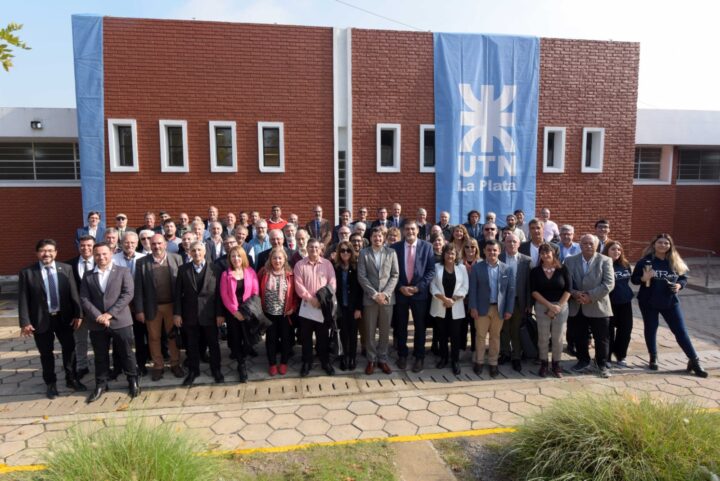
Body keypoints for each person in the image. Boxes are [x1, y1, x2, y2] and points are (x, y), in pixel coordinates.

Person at [631, 233, 707, 377]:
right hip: (649, 302)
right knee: (651, 328)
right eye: (660, 242)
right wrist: (643, 278)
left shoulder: (675, 261)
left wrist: (679, 285)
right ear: (654, 244)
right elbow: (635, 280)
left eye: (666, 243)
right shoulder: (645, 261)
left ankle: (694, 360)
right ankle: (653, 357)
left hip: (670, 301)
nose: (663, 245)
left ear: (670, 246)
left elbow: (684, 277)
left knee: (681, 331)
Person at [19, 239, 85, 399]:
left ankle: (71, 379)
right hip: (41, 320)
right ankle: (51, 383)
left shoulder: (66, 269)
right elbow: (23, 299)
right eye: (42, 250)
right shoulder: (27, 273)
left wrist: (79, 314)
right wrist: (25, 322)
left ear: (56, 252)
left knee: (69, 350)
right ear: (37, 253)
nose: (46, 253)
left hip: (64, 318)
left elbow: (74, 294)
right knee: (46, 354)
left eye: (50, 250)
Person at [80, 242, 139, 403]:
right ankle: (101, 384)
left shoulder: (123, 271)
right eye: (97, 254)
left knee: (126, 353)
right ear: (93, 255)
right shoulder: (88, 275)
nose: (101, 257)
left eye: (104, 253)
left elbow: (128, 294)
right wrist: (98, 316)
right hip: (97, 323)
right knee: (100, 356)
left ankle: (132, 380)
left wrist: (109, 314)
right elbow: (84, 299)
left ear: (111, 253)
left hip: (120, 321)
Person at [133, 234, 184, 382]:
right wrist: (139, 310)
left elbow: (181, 285)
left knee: (173, 336)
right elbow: (138, 289)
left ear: (165, 244)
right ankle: (158, 366)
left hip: (172, 306)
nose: (156, 246)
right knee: (154, 338)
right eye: (153, 244)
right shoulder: (142, 262)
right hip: (152, 307)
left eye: (159, 243)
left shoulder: (176, 259)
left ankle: (175, 364)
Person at [173, 241, 224, 386]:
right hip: (190, 315)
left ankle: (216, 370)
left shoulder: (215, 269)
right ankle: (193, 371)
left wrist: (220, 314)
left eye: (199, 250)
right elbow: (177, 294)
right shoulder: (183, 270)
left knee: (213, 344)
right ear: (189, 252)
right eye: (193, 250)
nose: (196, 253)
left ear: (205, 252)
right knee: (192, 345)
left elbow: (219, 295)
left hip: (210, 314)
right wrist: (177, 314)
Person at [564, 234, 614, 378]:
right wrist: (575, 294)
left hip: (598, 305)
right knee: (579, 336)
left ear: (597, 245)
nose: (588, 246)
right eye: (584, 243)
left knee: (602, 337)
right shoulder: (569, 261)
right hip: (577, 304)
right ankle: (583, 360)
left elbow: (609, 284)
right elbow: (566, 282)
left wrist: (590, 296)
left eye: (591, 243)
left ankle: (601, 363)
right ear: (580, 245)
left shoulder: (605, 260)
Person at [391, 221, 436, 372]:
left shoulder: (427, 247)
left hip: (419, 293)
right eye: (407, 229)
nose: (410, 231)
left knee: (420, 327)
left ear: (417, 231)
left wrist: (418, 287)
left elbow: (431, 271)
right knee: (401, 326)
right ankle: (402, 355)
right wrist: (400, 287)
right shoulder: (395, 248)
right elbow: (390, 271)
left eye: (413, 229)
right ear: (403, 231)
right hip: (401, 293)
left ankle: (419, 356)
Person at [468, 240, 515, 377]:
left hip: (499, 309)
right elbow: (473, 290)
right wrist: (473, 307)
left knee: (495, 337)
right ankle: (479, 361)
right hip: (482, 308)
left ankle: (493, 363)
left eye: (494, 250)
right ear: (484, 251)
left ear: (499, 251)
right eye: (489, 250)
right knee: (480, 336)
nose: (492, 252)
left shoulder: (507, 269)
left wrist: (509, 309)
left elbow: (510, 291)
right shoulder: (477, 268)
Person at [357, 226, 399, 375]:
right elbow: (361, 276)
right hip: (370, 299)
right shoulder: (363, 253)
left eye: (380, 236)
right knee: (369, 331)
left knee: (384, 331)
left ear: (384, 238)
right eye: (375, 236)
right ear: (371, 238)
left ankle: (383, 359)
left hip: (387, 300)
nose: (377, 239)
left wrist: (385, 294)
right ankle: (371, 359)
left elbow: (395, 275)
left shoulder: (391, 252)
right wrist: (375, 294)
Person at [293, 238, 337, 376]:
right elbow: (298, 284)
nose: (314, 250)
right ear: (306, 248)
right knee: (306, 337)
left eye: (316, 247)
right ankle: (307, 361)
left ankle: (325, 361)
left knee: (322, 336)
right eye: (311, 247)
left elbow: (332, 283)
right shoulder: (300, 265)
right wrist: (310, 298)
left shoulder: (327, 264)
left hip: (322, 306)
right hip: (306, 306)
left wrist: (320, 299)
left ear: (320, 249)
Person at [530, 243, 571, 377]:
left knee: (557, 337)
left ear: (553, 253)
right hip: (542, 306)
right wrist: (549, 306)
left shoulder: (563, 269)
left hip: (561, 307)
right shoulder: (535, 271)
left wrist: (557, 306)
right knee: (543, 337)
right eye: (542, 253)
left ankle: (556, 365)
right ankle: (543, 364)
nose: (545, 255)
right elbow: (534, 291)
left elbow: (568, 290)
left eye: (548, 252)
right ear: (540, 255)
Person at [219, 245, 259, 382]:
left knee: (248, 339)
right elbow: (224, 295)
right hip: (233, 312)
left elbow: (255, 292)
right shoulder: (226, 274)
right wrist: (235, 311)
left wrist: (247, 310)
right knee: (235, 339)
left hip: (248, 310)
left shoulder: (250, 272)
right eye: (233, 256)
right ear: (229, 258)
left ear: (243, 258)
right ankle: (241, 365)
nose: (236, 259)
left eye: (238, 256)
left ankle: (244, 354)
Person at [430, 244, 469, 375]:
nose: (450, 256)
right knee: (441, 335)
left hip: (455, 306)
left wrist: (453, 300)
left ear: (456, 255)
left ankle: (455, 361)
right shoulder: (436, 267)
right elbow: (432, 286)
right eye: (447, 253)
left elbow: (465, 287)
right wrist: (444, 299)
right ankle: (443, 358)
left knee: (455, 336)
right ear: (443, 254)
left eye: (452, 253)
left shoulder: (462, 268)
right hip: (440, 305)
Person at [113, 231, 148, 376]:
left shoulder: (144, 258)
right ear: (121, 243)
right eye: (126, 242)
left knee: (140, 337)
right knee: (119, 337)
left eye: (133, 242)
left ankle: (141, 364)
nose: (130, 245)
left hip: (139, 304)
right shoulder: (113, 259)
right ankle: (117, 366)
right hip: (120, 305)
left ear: (137, 243)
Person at [258, 247, 297, 377]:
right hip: (268, 313)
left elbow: (295, 294)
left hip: (285, 313)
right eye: (274, 258)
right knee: (271, 340)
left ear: (284, 259)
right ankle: (272, 364)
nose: (277, 260)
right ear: (270, 259)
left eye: (280, 258)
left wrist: (293, 307)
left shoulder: (290, 274)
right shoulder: (264, 272)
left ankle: (284, 363)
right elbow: (256, 290)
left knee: (286, 339)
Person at [499, 233, 532, 372]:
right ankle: (505, 353)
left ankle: (516, 356)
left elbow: (529, 284)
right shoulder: (499, 257)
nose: (511, 244)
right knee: (503, 329)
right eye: (508, 241)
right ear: (504, 243)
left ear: (519, 244)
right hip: (502, 301)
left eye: (514, 242)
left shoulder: (526, 260)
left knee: (516, 330)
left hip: (519, 301)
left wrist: (529, 304)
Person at [64, 234, 95, 380]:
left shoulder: (103, 261)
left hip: (98, 311)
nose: (86, 248)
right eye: (83, 245)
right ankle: (82, 366)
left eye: (89, 245)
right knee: (80, 341)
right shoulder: (68, 265)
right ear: (78, 246)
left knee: (100, 340)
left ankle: (104, 365)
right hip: (78, 312)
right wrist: (77, 312)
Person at [333, 241, 363, 371]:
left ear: (352, 252)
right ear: (339, 253)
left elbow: (361, 290)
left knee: (353, 333)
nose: (345, 253)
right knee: (343, 333)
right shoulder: (335, 268)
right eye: (343, 250)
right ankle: (344, 357)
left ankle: (352, 357)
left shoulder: (357, 267)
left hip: (353, 307)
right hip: (341, 307)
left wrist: (359, 308)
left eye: (348, 250)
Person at [603, 240, 633, 367]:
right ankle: (607, 357)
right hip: (609, 303)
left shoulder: (625, 264)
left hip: (625, 302)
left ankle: (621, 355)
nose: (617, 252)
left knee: (625, 330)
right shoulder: (603, 264)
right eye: (613, 249)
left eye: (619, 249)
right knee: (608, 331)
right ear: (607, 251)